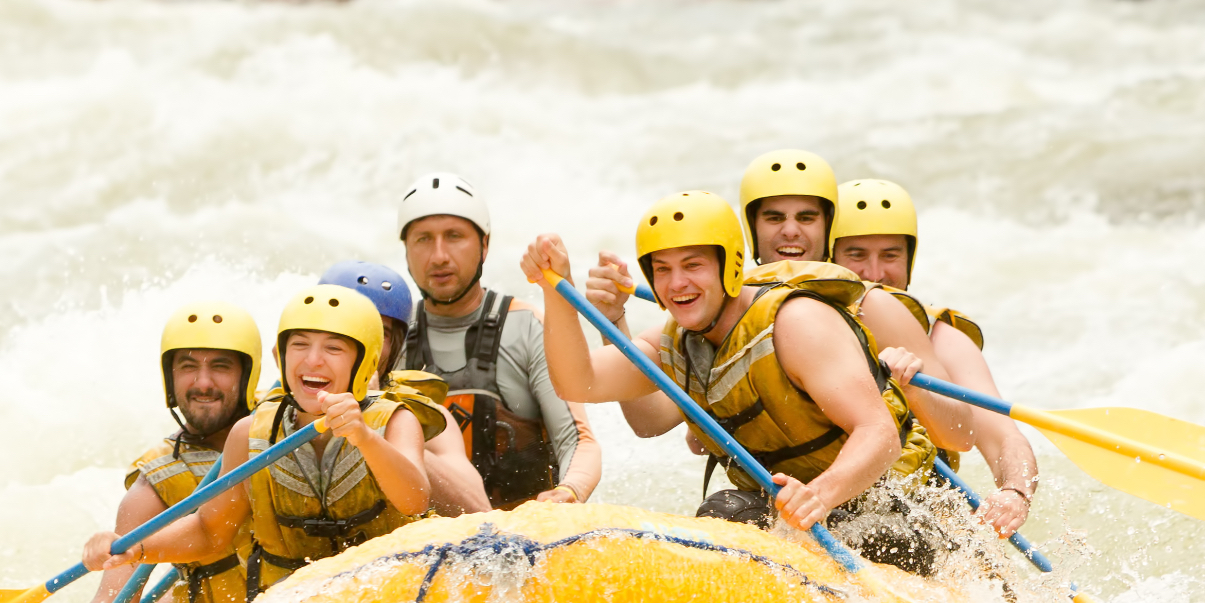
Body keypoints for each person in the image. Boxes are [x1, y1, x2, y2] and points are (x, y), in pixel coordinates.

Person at [524, 192, 935, 547]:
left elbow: (879, 434)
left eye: (693, 265)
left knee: (729, 511)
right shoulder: (671, 344)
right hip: (800, 513)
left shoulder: (797, 324)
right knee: (725, 512)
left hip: (888, 505)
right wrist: (555, 288)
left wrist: (819, 496)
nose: (676, 283)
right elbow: (579, 382)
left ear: (731, 265)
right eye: (662, 269)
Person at [586, 150, 975, 479]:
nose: (790, 231)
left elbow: (962, 433)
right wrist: (613, 322)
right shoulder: (717, 310)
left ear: (828, 227)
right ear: (750, 230)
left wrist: (911, 386)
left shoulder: (872, 305)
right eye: (774, 218)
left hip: (885, 492)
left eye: (806, 218)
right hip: (784, 493)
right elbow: (650, 421)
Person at [84, 283, 433, 603]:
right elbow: (210, 532)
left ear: (366, 362)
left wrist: (364, 437)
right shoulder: (249, 432)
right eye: (300, 345)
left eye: (334, 348)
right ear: (279, 356)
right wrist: (135, 547)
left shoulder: (396, 421)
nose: (313, 360)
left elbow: (414, 499)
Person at [829, 178, 1040, 537]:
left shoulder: (941, 338)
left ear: (909, 261)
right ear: (830, 258)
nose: (875, 273)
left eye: (890, 255)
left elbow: (1004, 437)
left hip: (919, 517)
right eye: (857, 254)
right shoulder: (807, 327)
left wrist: (1014, 492)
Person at [60, 301, 262, 603]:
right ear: (170, 379)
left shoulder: (284, 425)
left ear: (246, 377)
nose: (203, 382)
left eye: (220, 366)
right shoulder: (155, 484)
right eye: (188, 367)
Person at [396, 173, 601, 508]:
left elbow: (580, 442)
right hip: (427, 545)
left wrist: (569, 491)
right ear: (406, 250)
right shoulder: (390, 334)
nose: (439, 256)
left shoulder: (525, 326)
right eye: (422, 239)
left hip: (524, 535)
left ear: (485, 245)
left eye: (454, 236)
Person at [319, 259, 492, 516]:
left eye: (379, 333)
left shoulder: (422, 417)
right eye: (346, 328)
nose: (364, 343)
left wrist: (381, 426)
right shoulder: (275, 413)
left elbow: (480, 511)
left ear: (396, 347)